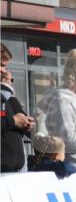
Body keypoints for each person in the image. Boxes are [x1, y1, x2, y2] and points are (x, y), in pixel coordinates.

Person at [1, 43, 33, 173]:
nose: (3, 71)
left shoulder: (6, 98)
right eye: (2, 65)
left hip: (12, 169)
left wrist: (24, 124)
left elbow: (3, 119)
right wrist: (14, 121)